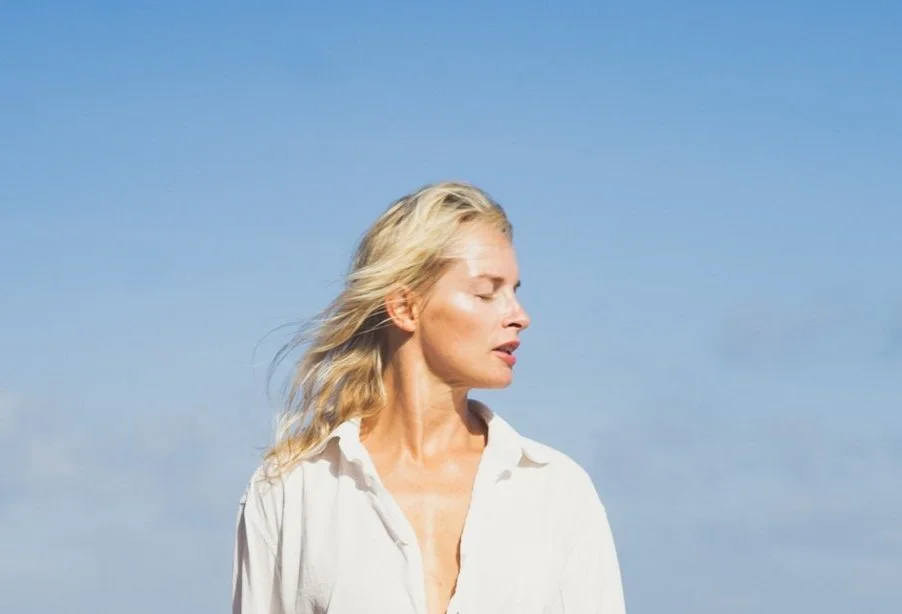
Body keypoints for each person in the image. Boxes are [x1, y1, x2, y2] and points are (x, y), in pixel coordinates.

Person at [231, 181, 626, 614]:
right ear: (404, 307)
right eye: (486, 292)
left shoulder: (556, 490)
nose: (520, 316)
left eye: (514, 290)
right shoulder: (294, 489)